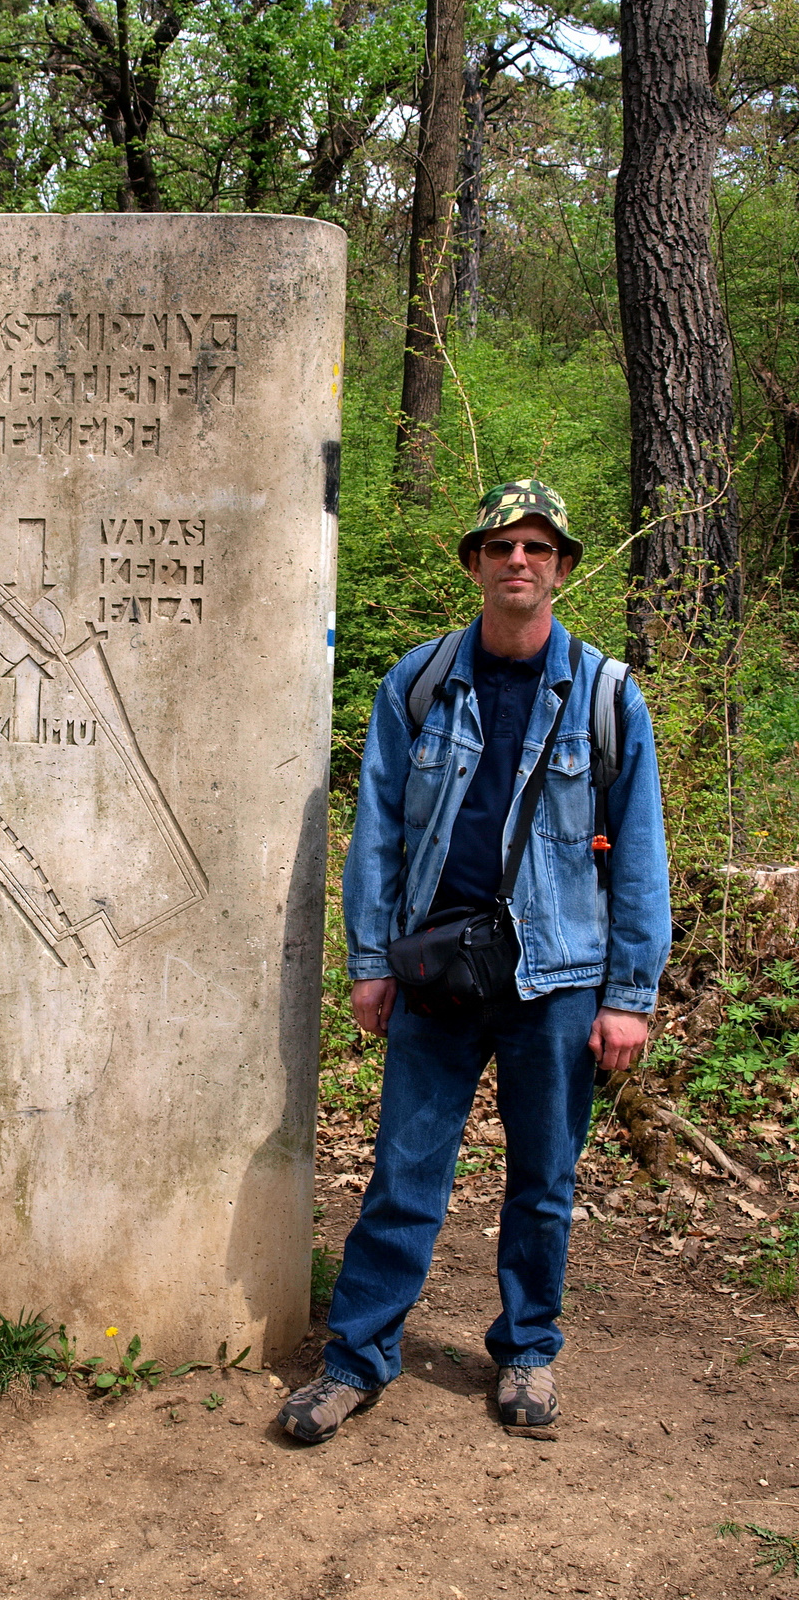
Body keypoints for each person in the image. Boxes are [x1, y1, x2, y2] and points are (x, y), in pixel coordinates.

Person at [278, 479, 672, 1444]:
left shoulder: (609, 697)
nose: (519, 563)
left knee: (544, 1179)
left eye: (538, 548)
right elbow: (375, 834)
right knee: (406, 1173)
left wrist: (629, 994)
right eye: (502, 548)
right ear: (476, 565)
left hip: (558, 982)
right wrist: (370, 962)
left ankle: (529, 1351)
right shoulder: (416, 684)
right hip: (435, 974)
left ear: (563, 570)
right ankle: (356, 1359)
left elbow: (642, 855)